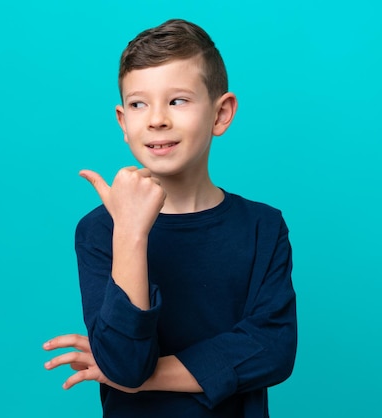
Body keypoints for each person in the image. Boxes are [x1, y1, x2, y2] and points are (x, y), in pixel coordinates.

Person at [43, 18, 297, 418]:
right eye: (138, 103)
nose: (156, 118)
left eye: (177, 100)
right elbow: (125, 362)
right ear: (123, 122)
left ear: (221, 114)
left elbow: (273, 350)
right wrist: (129, 232)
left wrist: (142, 376)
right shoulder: (99, 230)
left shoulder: (263, 227)